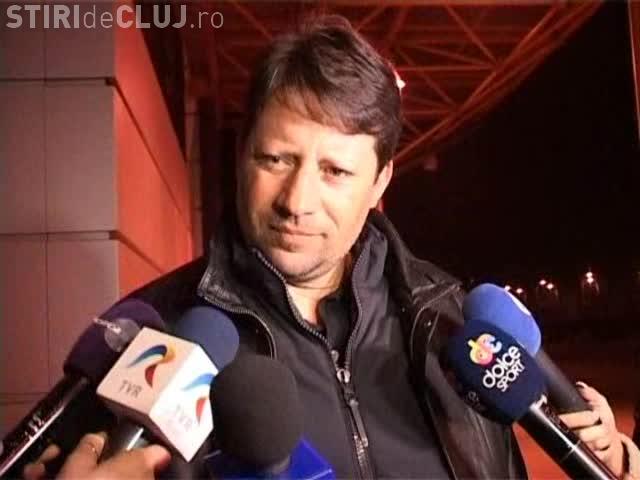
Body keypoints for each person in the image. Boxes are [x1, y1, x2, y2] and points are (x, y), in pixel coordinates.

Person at [21, 14, 638, 480]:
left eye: (335, 171)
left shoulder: (451, 322)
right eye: (275, 159)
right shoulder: (158, 338)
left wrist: (617, 461)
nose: (297, 200)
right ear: (242, 156)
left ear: (380, 182)